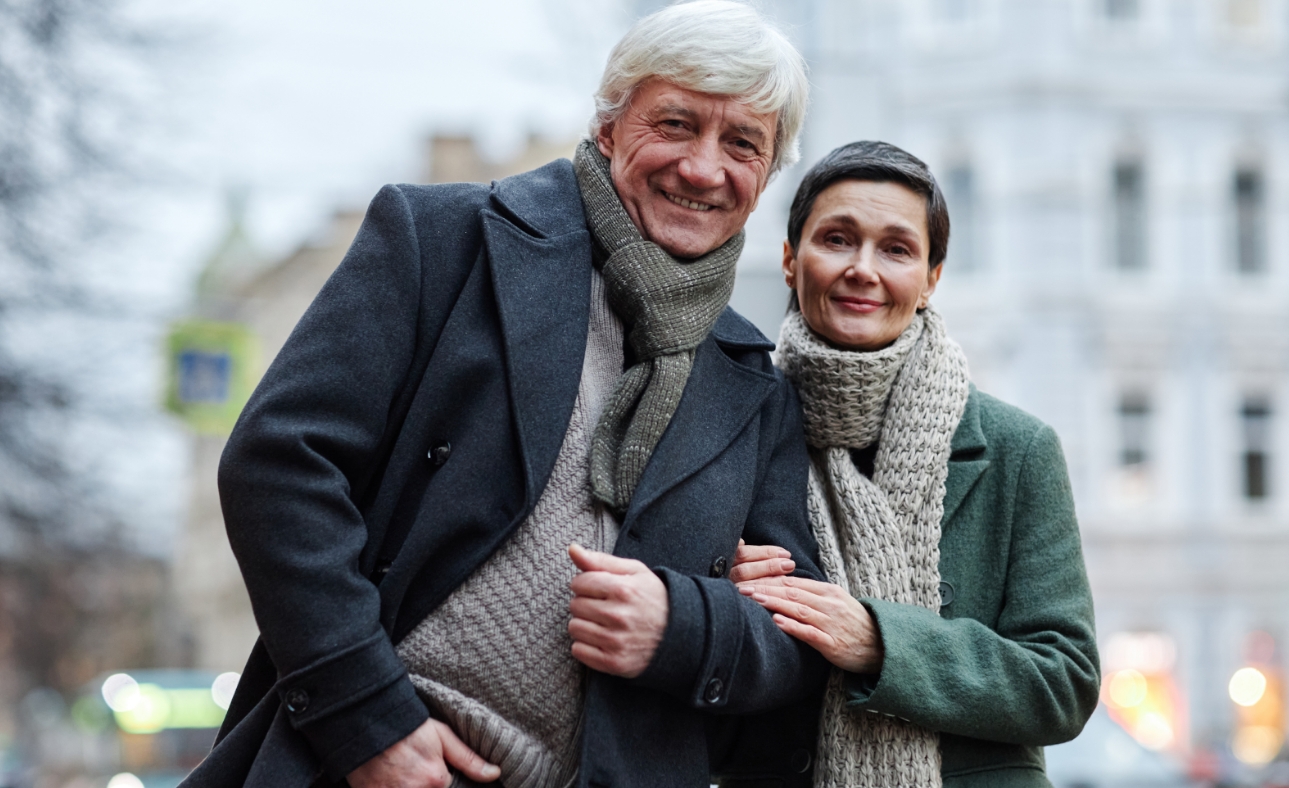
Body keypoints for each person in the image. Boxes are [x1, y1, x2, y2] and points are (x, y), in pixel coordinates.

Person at [182, 4, 828, 787]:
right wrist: (371, 725)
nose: (702, 167)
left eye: (741, 144)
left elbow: (794, 643)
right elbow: (278, 465)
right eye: (676, 124)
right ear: (609, 127)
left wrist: (682, 625)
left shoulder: (755, 386)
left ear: (765, 176)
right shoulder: (441, 240)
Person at [719, 141, 1100, 788]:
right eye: (837, 239)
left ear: (930, 279)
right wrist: (716, 595)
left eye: (896, 249)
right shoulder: (728, 433)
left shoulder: (1016, 449)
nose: (863, 269)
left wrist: (880, 642)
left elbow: (1064, 682)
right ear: (789, 260)